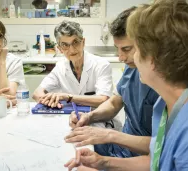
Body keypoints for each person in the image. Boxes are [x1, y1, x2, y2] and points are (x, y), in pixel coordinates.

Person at [65, 0, 188, 170]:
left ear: (157, 58)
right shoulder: (169, 105)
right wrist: (103, 163)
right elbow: (159, 159)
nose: (126, 59)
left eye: (136, 49)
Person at [64, 5, 159, 170]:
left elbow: (162, 148)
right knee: (70, 154)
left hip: (140, 159)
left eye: (126, 49)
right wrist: (90, 117)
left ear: (148, 44)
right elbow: (115, 102)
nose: (121, 57)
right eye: (118, 49)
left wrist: (110, 137)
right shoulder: (133, 68)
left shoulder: (163, 85)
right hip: (121, 146)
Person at [32, 21, 113, 108]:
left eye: (75, 42)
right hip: (70, 116)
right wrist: (50, 100)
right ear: (60, 49)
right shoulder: (60, 67)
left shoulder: (101, 65)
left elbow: (103, 99)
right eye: (65, 45)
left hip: (97, 118)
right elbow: (37, 93)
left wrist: (67, 97)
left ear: (83, 42)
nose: (72, 49)